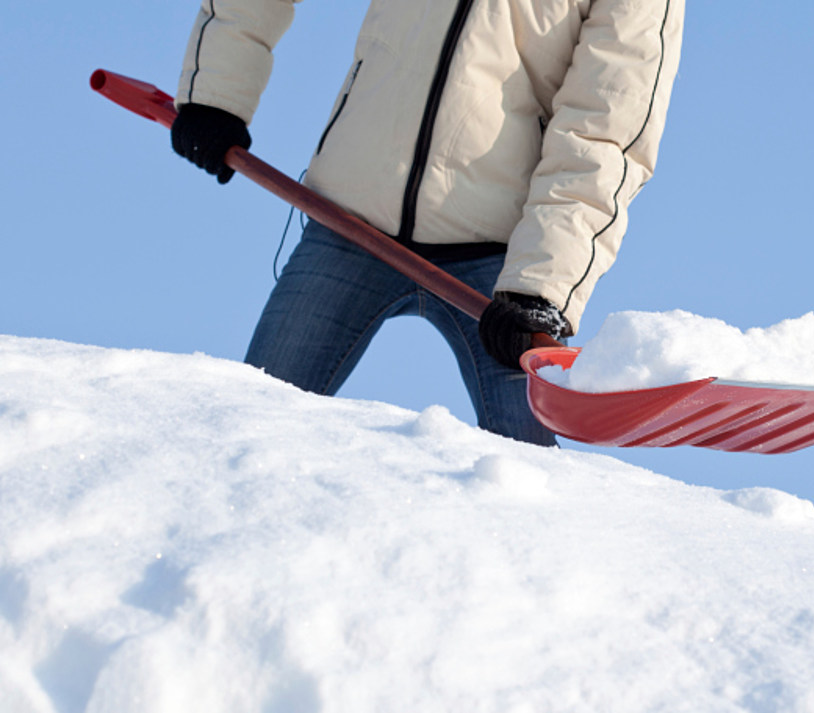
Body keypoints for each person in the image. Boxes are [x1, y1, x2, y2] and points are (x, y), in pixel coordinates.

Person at [171, 0, 685, 445]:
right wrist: (214, 91)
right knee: (246, 429)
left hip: (503, 270)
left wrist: (541, 291)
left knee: (526, 482)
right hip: (352, 224)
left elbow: (604, 135)